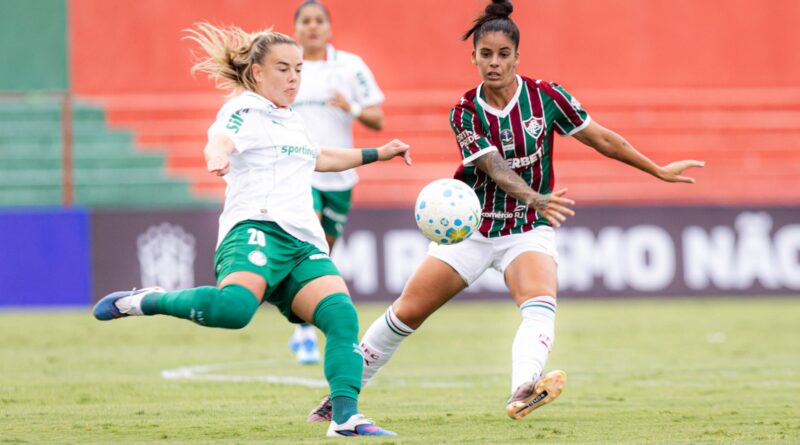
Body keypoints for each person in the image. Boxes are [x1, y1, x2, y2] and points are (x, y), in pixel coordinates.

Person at [307, 0, 705, 422]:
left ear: (517, 57)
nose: (494, 63)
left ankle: (524, 388)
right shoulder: (465, 112)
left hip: (527, 229)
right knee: (406, 312)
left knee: (539, 302)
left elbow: (601, 138)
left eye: (503, 54)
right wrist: (534, 195)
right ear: (473, 57)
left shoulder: (547, 97)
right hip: (472, 231)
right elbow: (492, 166)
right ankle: (341, 396)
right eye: (486, 54)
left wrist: (657, 169)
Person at [92, 23, 410, 437]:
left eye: (298, 69)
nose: (294, 78)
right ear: (257, 72)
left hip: (302, 242)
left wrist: (377, 153)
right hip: (255, 227)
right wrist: (217, 155)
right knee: (235, 310)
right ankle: (146, 301)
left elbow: (319, 158)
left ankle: (345, 418)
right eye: (283, 68)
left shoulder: (292, 120)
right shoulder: (244, 109)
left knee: (341, 316)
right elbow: (220, 139)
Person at [287, 0, 386, 365]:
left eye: (318, 21)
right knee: (310, 239)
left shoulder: (350, 66)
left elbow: (377, 119)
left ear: (328, 28)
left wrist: (352, 107)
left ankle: (302, 321)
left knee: (324, 251)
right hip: (302, 171)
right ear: (296, 29)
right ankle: (303, 331)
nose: (312, 27)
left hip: (341, 175)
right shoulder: (287, 67)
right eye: (306, 21)